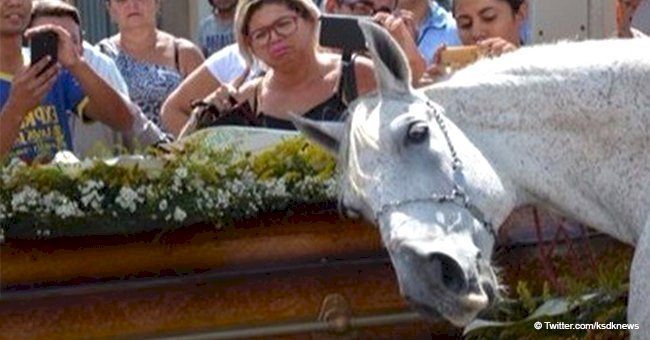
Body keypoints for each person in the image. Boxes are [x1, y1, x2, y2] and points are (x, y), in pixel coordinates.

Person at [162, 0, 377, 136]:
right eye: (261, 34)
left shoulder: (358, 76)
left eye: (283, 24)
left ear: (310, 20)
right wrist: (208, 118)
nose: (274, 39)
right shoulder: (248, 99)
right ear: (249, 45)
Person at [0, 0, 132, 162]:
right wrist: (16, 109)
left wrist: (77, 64)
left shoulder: (48, 67)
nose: (14, 2)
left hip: (60, 186)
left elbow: (123, 120)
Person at [29, 0, 166, 157]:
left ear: (82, 45)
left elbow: (129, 122)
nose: (61, 48)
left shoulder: (99, 68)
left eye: (69, 40)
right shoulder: (15, 79)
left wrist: (77, 65)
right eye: (49, 40)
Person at [98, 0, 204, 131]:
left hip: (179, 148)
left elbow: (207, 114)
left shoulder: (185, 54)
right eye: (122, 0)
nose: (132, 4)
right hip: (120, 150)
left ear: (157, 3)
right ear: (111, 9)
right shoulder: (100, 57)